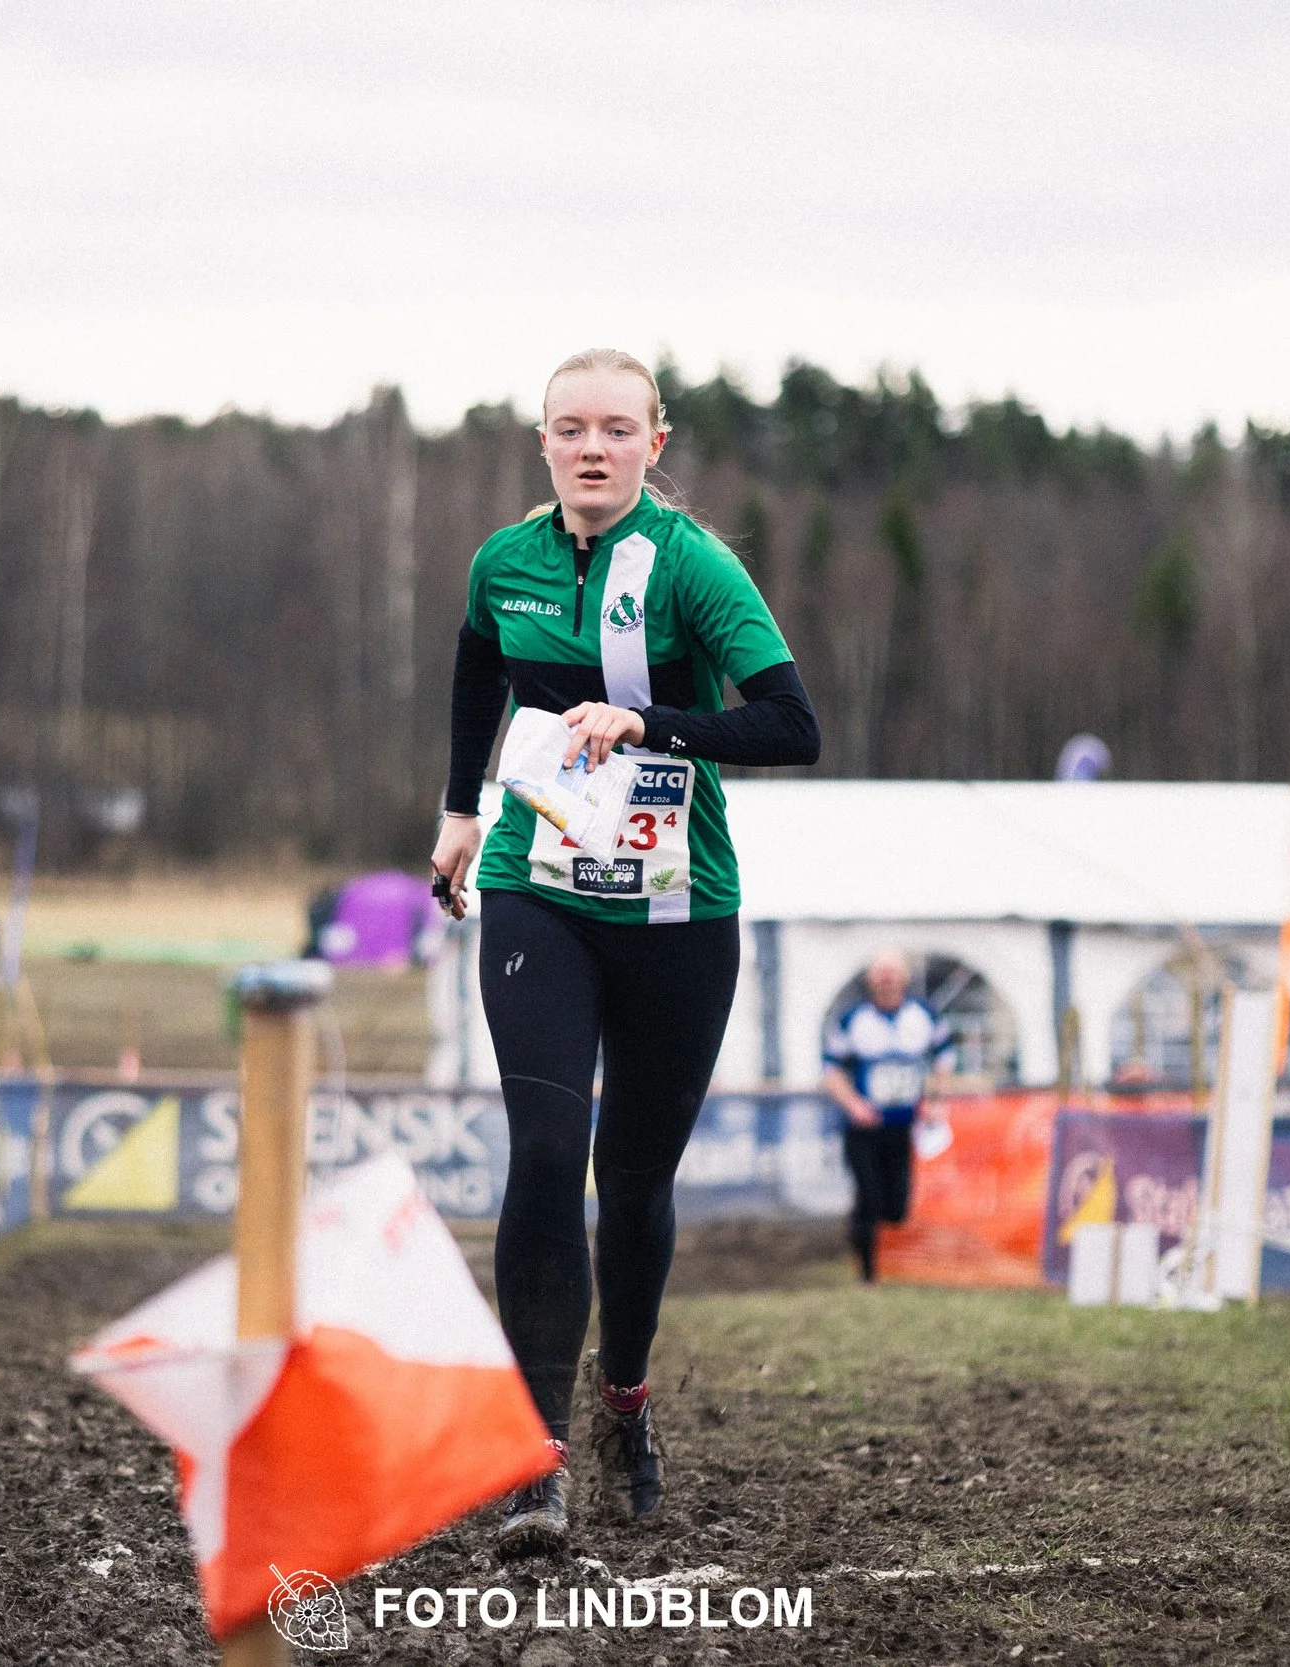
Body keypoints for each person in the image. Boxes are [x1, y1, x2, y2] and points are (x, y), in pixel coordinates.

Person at [430, 348, 820, 1558]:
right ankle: (532, 1458)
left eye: (614, 428)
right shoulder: (507, 560)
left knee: (632, 1180)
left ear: (656, 442)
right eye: (567, 428)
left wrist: (650, 720)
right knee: (546, 1148)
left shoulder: (694, 568)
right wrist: (457, 807)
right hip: (536, 886)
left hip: (675, 908)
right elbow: (476, 665)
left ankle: (625, 1400)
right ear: (540, 443)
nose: (590, 447)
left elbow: (792, 726)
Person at [819, 951, 961, 1283]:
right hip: (863, 1127)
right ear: (870, 980)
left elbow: (945, 1056)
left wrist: (936, 1099)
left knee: (896, 1206)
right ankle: (866, 1274)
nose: (887, 980)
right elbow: (831, 1071)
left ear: (904, 978)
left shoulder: (923, 1015)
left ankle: (883, 1254)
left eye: (892, 973)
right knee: (867, 1195)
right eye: (880, 974)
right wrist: (854, 1105)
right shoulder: (851, 1019)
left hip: (904, 1126)